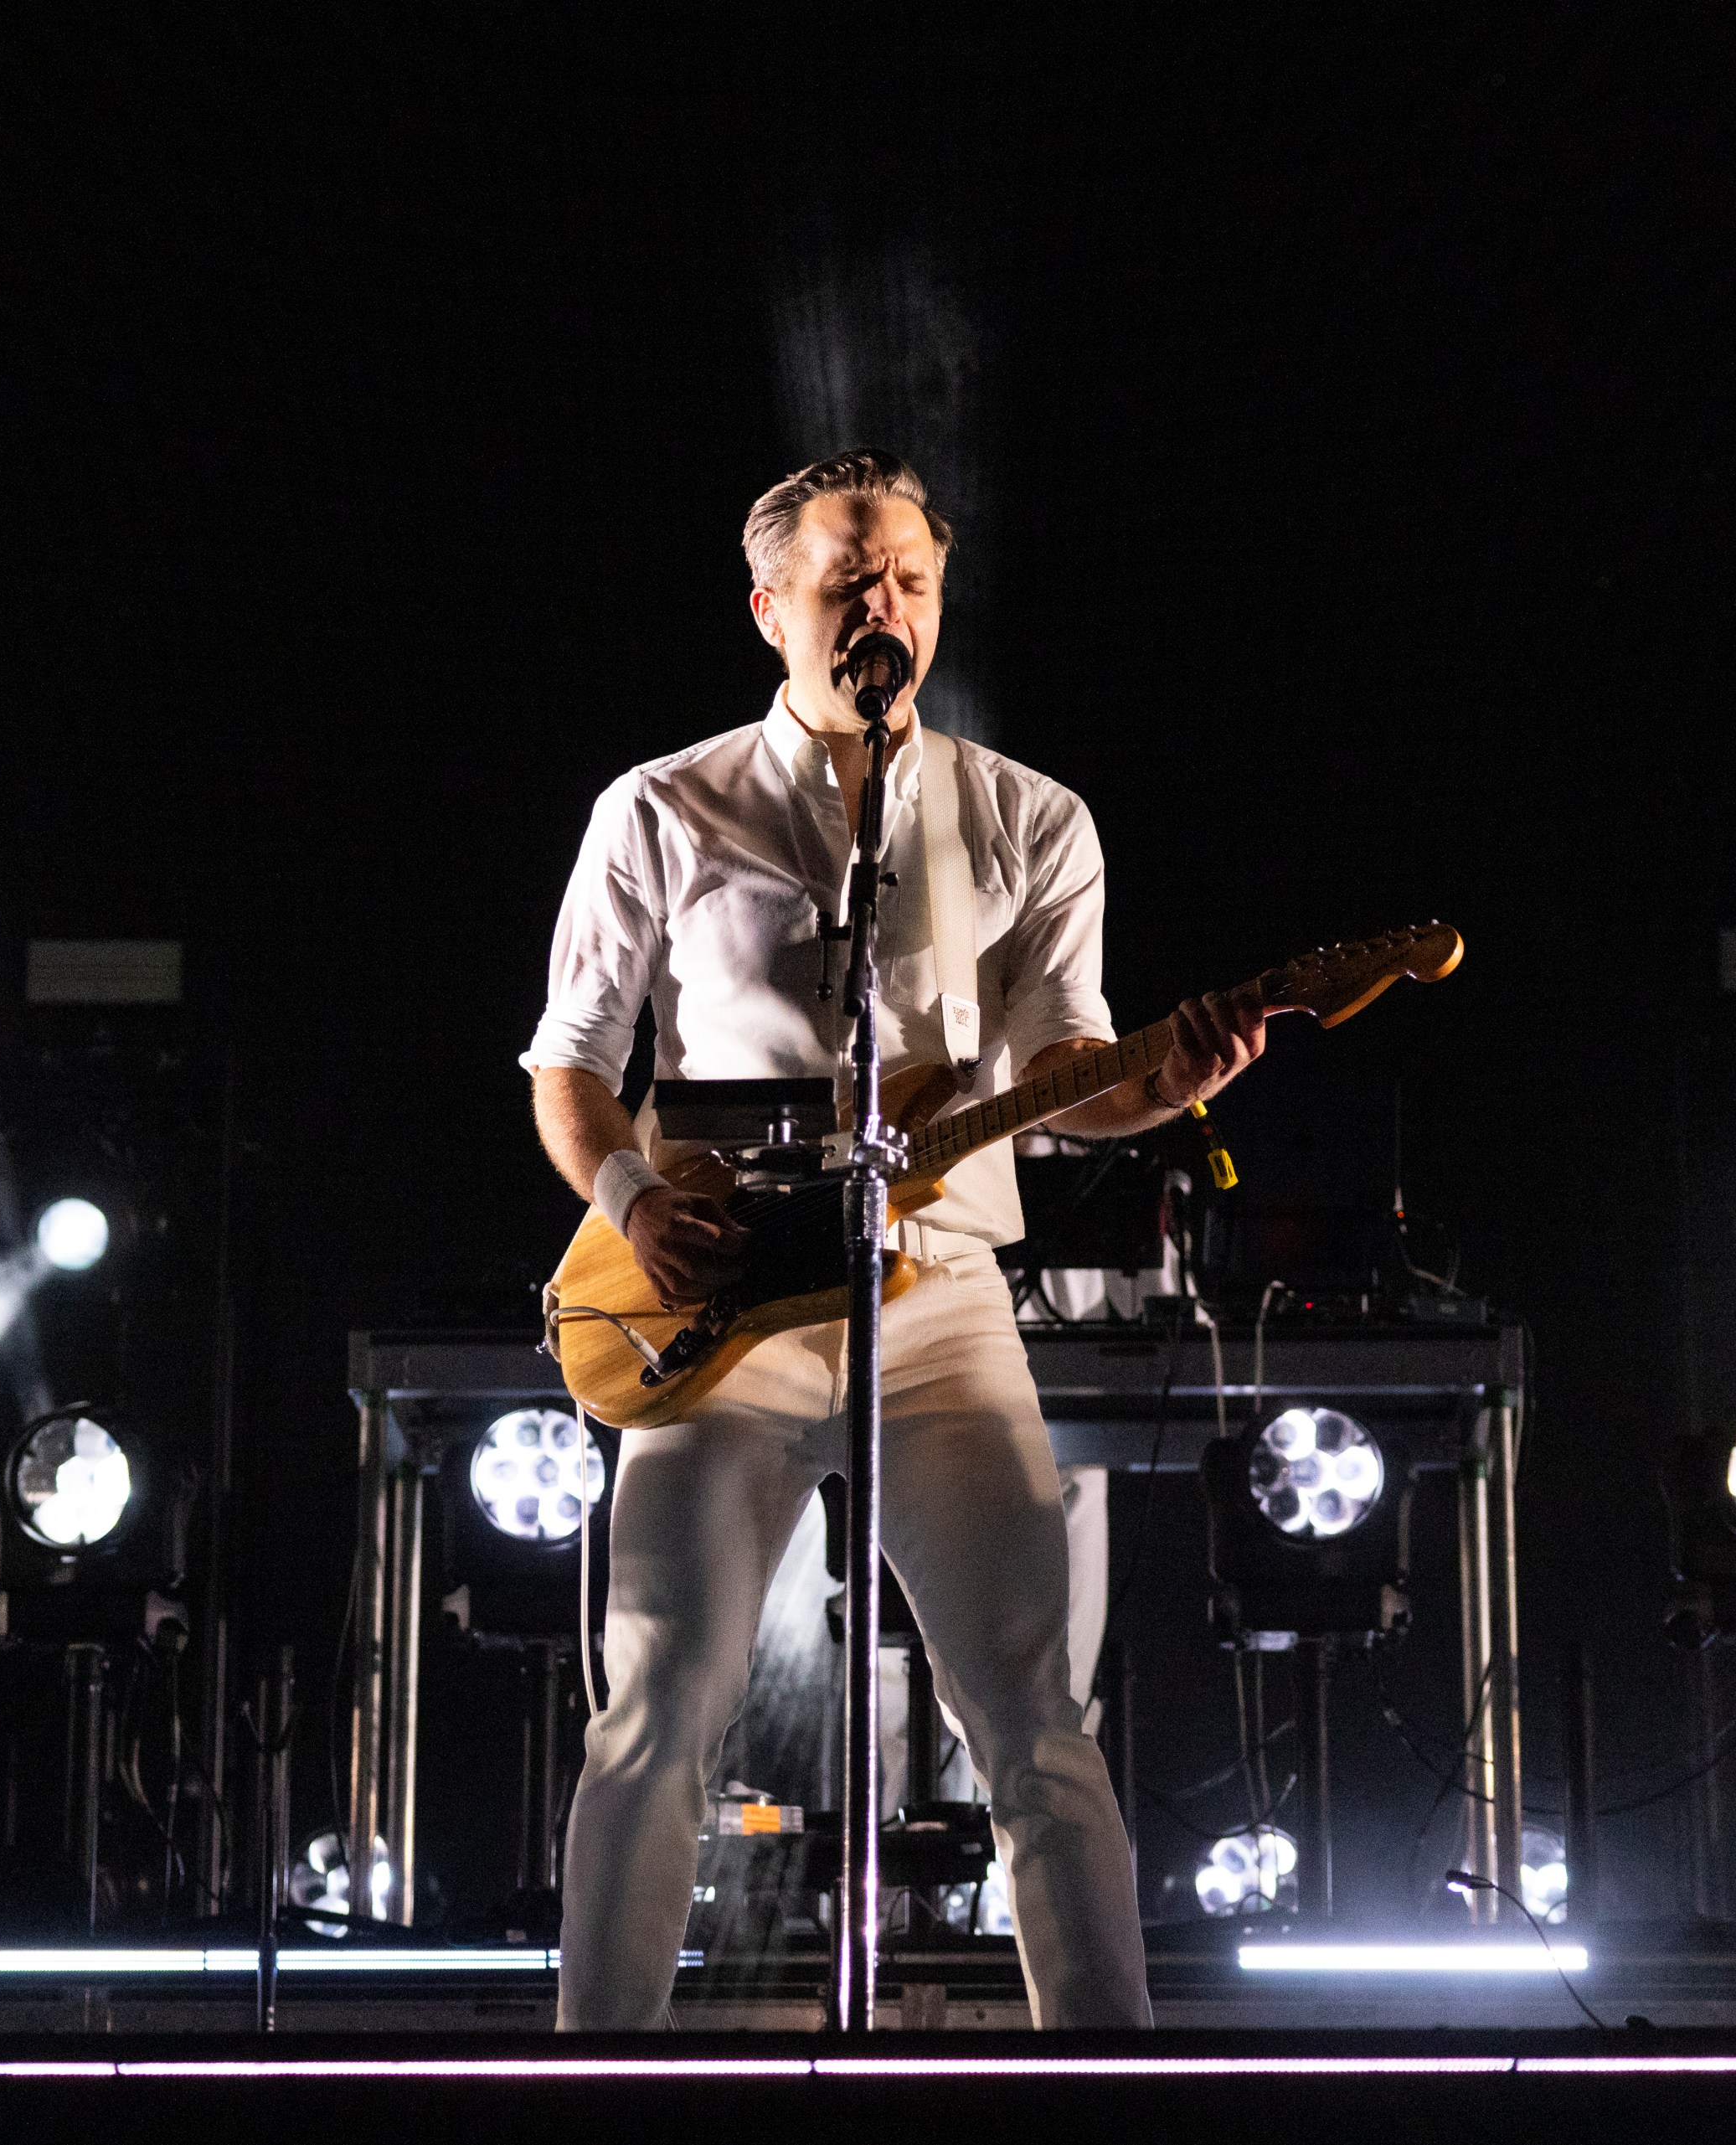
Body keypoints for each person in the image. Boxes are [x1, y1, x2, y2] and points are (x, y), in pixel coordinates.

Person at [523, 450, 1268, 2030]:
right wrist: (637, 1205)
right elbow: (570, 1068)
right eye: (853, 577)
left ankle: (1111, 2081)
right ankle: (592, 2080)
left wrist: (1168, 1078)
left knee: (1034, 1717)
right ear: (772, 605)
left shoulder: (1029, 816)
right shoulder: (663, 805)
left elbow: (1071, 1076)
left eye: (914, 579)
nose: (889, 606)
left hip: (936, 1300)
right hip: (724, 1311)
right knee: (655, 1710)